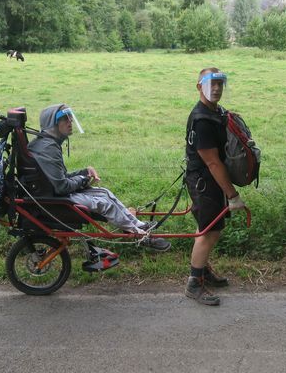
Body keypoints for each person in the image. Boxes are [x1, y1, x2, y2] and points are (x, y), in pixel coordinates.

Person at [27, 104, 171, 252]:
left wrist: (84, 172)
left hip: (54, 193)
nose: (70, 121)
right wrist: (83, 179)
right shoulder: (48, 148)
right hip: (56, 200)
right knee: (103, 203)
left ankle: (137, 224)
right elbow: (62, 186)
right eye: (65, 118)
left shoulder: (48, 143)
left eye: (70, 117)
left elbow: (59, 178)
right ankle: (139, 234)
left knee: (104, 192)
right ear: (53, 123)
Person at [184, 67, 247, 305]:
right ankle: (194, 284)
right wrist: (232, 195)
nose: (217, 88)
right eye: (212, 84)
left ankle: (202, 270)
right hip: (205, 182)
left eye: (221, 83)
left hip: (210, 181)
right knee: (208, 232)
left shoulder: (215, 112)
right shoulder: (202, 120)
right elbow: (212, 162)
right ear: (200, 86)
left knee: (211, 230)